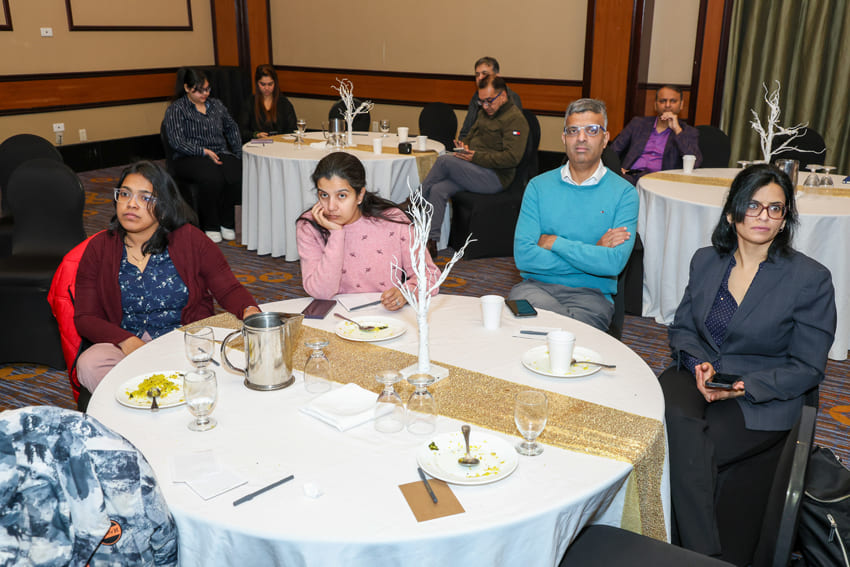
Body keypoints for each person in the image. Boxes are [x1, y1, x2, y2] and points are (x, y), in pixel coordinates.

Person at [660, 164, 836, 557]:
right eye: (753, 205)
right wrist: (698, 363)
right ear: (731, 213)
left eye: (775, 208)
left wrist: (742, 387)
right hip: (700, 371)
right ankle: (700, 550)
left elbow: (808, 367)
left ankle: (699, 554)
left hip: (762, 391)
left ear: (785, 219)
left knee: (694, 451)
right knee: (666, 418)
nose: (763, 216)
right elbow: (683, 328)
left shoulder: (809, 279)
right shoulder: (706, 260)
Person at [74, 161, 260, 392]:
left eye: (145, 197)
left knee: (236, 357)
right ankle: (140, 402)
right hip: (127, 347)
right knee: (90, 363)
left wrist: (250, 311)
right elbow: (85, 317)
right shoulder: (100, 248)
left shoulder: (191, 240)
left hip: (184, 341)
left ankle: (164, 391)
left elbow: (228, 289)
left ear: (163, 205)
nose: (131, 204)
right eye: (125, 194)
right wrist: (126, 340)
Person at [509, 98, 637, 332]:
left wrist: (555, 242)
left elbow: (613, 263)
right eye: (573, 130)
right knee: (561, 333)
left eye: (592, 130)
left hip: (591, 296)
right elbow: (524, 258)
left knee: (543, 332)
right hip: (534, 288)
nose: (581, 138)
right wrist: (594, 251)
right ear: (564, 138)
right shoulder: (538, 187)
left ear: (605, 139)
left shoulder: (625, 193)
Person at [296, 152, 441, 311]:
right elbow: (321, 293)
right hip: (335, 314)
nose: (331, 207)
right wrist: (336, 234)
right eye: (324, 195)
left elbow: (430, 275)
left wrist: (407, 293)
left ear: (360, 195)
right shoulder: (309, 226)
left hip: (385, 313)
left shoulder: (392, 220)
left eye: (342, 195)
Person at [421, 75, 528, 252]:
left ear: (503, 96)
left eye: (489, 101)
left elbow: (512, 158)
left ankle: (416, 200)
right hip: (473, 170)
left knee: (443, 161)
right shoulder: (484, 114)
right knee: (438, 189)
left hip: (495, 177)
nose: (485, 106)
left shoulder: (515, 119)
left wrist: (475, 157)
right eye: (481, 102)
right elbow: (470, 137)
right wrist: (464, 147)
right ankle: (430, 243)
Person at [163, 67, 242, 243]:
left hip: (219, 151)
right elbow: (177, 142)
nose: (204, 94)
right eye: (199, 90)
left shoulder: (216, 105)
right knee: (211, 176)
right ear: (187, 88)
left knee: (236, 173)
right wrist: (203, 151)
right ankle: (211, 225)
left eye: (207, 89)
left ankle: (227, 222)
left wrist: (237, 153)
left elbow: (231, 127)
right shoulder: (176, 109)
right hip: (188, 156)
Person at [610, 85, 702, 184]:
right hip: (629, 176)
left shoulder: (687, 131)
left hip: (660, 182)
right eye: (662, 101)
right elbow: (613, 151)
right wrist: (616, 169)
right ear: (655, 105)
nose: (667, 105)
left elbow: (695, 163)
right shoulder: (637, 124)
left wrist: (677, 130)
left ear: (681, 105)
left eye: (673, 101)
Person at [458, 56, 523, 141]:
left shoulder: (511, 98)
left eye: (484, 74)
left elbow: (512, 138)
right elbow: (466, 131)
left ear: (497, 77)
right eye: (477, 75)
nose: (480, 78)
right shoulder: (476, 97)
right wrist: (463, 145)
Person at [239, 64, 298, 141]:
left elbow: (293, 129)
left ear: (275, 83)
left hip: (280, 143)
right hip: (258, 144)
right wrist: (256, 135)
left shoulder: (284, 103)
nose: (266, 88)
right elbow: (242, 131)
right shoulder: (250, 103)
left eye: (270, 84)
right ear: (257, 83)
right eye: (263, 84)